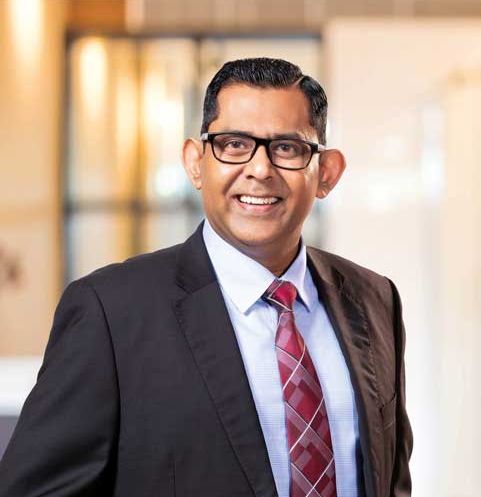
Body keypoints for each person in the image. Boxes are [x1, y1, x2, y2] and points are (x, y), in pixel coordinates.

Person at [0, 58, 412, 497]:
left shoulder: (374, 300)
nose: (260, 169)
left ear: (326, 172)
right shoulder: (111, 313)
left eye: (287, 148)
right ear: (196, 163)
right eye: (234, 144)